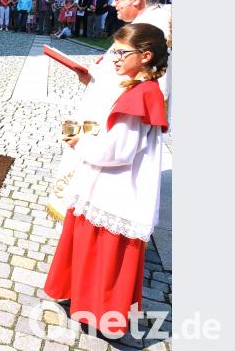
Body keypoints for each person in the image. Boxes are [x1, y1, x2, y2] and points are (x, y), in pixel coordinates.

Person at [45, 22, 169, 338]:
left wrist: (77, 141)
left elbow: (119, 151)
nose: (113, 58)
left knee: (104, 254)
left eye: (121, 53)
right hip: (108, 182)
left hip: (116, 186)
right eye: (113, 51)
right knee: (89, 247)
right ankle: (83, 301)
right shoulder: (138, 86)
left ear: (146, 56)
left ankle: (100, 313)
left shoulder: (140, 95)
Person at [47, 0, 172, 220]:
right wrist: (92, 74)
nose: (113, 4)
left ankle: (90, 221)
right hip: (115, 106)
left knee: (105, 172)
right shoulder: (148, 22)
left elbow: (147, 79)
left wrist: (96, 78)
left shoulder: (152, 29)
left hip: (121, 114)